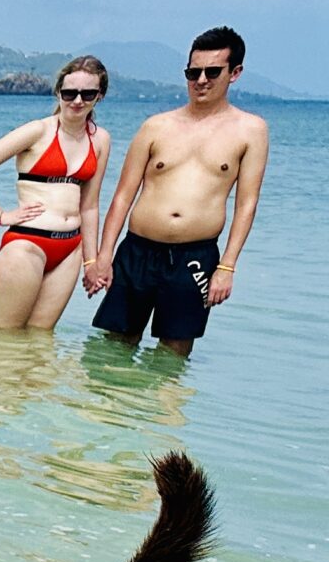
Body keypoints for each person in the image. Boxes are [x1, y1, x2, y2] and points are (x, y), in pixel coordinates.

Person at [86, 26, 269, 357]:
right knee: (112, 349)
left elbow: (247, 204)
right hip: (137, 252)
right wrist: (103, 257)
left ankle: (160, 410)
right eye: (192, 72)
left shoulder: (251, 130)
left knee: (173, 354)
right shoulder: (156, 126)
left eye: (212, 72)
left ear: (235, 73)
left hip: (195, 258)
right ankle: (108, 409)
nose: (200, 80)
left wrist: (227, 267)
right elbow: (123, 195)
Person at [0, 56, 111, 330]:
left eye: (87, 94)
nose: (77, 100)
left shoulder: (100, 140)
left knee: (41, 341)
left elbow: (90, 205)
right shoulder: (37, 131)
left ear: (99, 96)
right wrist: (0, 215)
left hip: (69, 249)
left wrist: (92, 260)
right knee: (6, 339)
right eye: (69, 93)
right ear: (58, 93)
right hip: (28, 244)